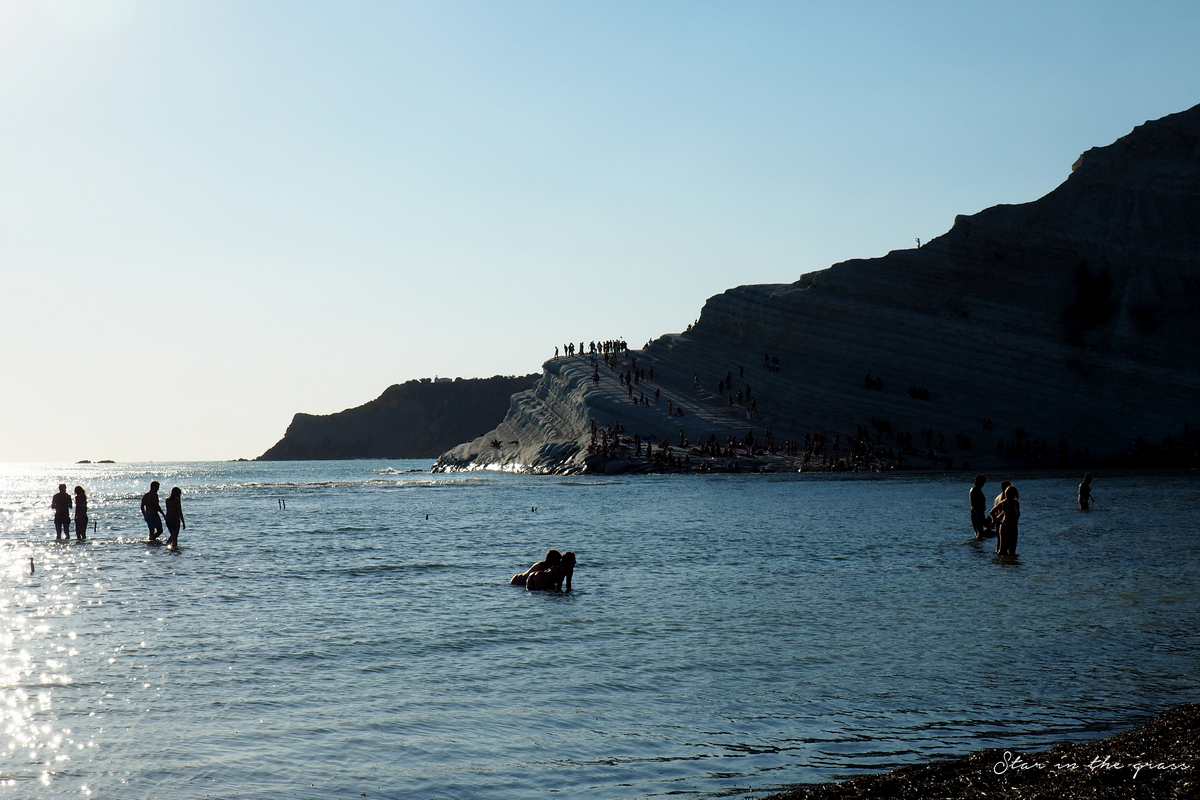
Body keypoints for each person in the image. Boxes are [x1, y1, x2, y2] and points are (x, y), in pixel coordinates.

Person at [994, 485, 1020, 556]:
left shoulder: (1003, 502)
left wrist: (997, 520)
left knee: (1001, 549)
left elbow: (992, 512)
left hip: (1003, 525)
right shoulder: (1015, 502)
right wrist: (1014, 522)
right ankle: (1011, 565)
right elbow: (1017, 513)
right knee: (1012, 550)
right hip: (1011, 525)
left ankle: (1000, 563)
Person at [969, 475, 993, 539]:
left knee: (980, 531)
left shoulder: (979, 490)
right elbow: (972, 503)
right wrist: (978, 514)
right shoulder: (974, 490)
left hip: (980, 512)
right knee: (979, 531)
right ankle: (977, 545)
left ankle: (979, 546)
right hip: (976, 513)